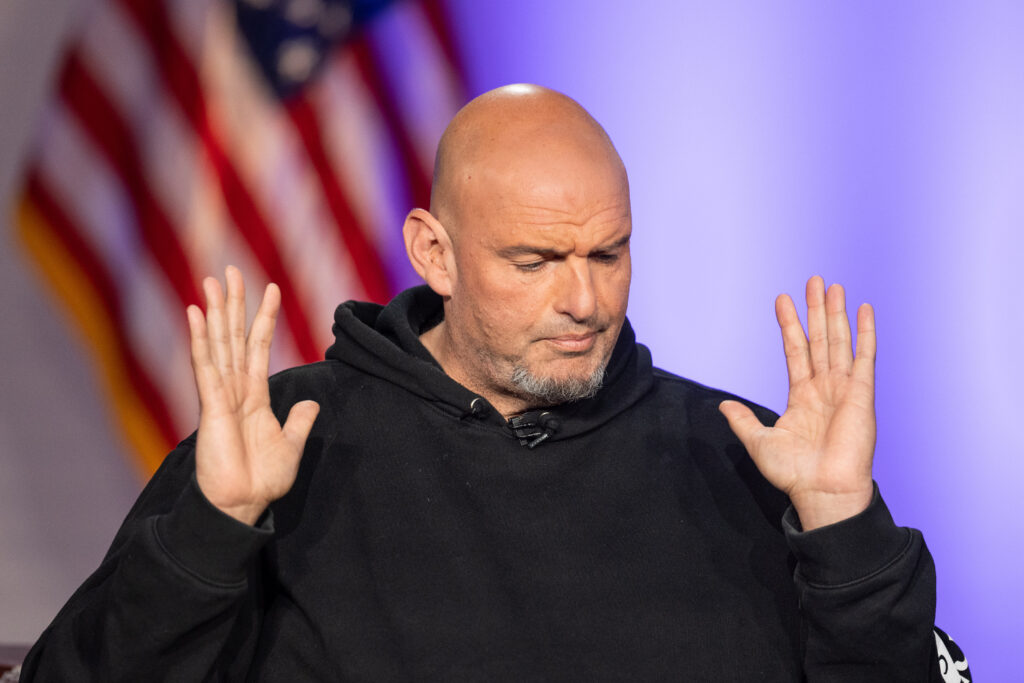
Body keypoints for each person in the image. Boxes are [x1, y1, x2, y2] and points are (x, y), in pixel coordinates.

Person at [21, 84, 967, 681]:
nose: (584, 299)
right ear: (434, 251)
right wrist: (211, 530)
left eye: (609, 252)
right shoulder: (280, 446)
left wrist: (847, 531)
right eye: (535, 260)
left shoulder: (750, 454)